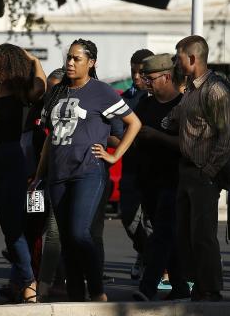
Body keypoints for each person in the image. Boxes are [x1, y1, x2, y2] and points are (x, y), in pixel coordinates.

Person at [31, 39, 141, 302]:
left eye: (76, 58)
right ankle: (76, 294)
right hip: (58, 175)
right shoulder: (56, 92)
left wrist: (114, 156)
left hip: (88, 172)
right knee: (67, 238)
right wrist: (38, 173)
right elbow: (50, 136)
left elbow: (134, 123)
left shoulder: (101, 91)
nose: (70, 62)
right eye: (68, 57)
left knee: (81, 232)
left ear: (90, 63)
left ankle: (97, 290)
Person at [169, 35, 230, 302]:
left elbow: (228, 136)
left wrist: (209, 170)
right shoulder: (191, 90)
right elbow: (175, 118)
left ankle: (210, 288)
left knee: (203, 235)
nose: (176, 62)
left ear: (193, 59)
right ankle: (197, 285)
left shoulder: (215, 90)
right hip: (186, 171)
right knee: (186, 233)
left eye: (179, 57)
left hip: (203, 173)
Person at [0, 43, 46, 304]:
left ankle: (29, 282)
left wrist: (29, 56)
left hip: (9, 158)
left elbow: (40, 84)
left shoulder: (21, 92)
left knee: (12, 227)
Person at [131, 54, 186, 300]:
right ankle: (181, 287)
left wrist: (156, 136)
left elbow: (188, 144)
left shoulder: (184, 105)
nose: (146, 83)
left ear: (166, 77)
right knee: (168, 236)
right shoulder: (145, 104)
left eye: (150, 78)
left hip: (173, 179)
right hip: (147, 180)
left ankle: (148, 286)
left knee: (162, 233)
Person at [122, 49, 154, 280]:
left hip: (153, 168)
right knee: (129, 220)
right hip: (130, 168)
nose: (135, 77)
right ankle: (144, 252)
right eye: (133, 71)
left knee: (151, 221)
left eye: (141, 72)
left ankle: (152, 263)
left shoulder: (161, 98)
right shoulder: (125, 98)